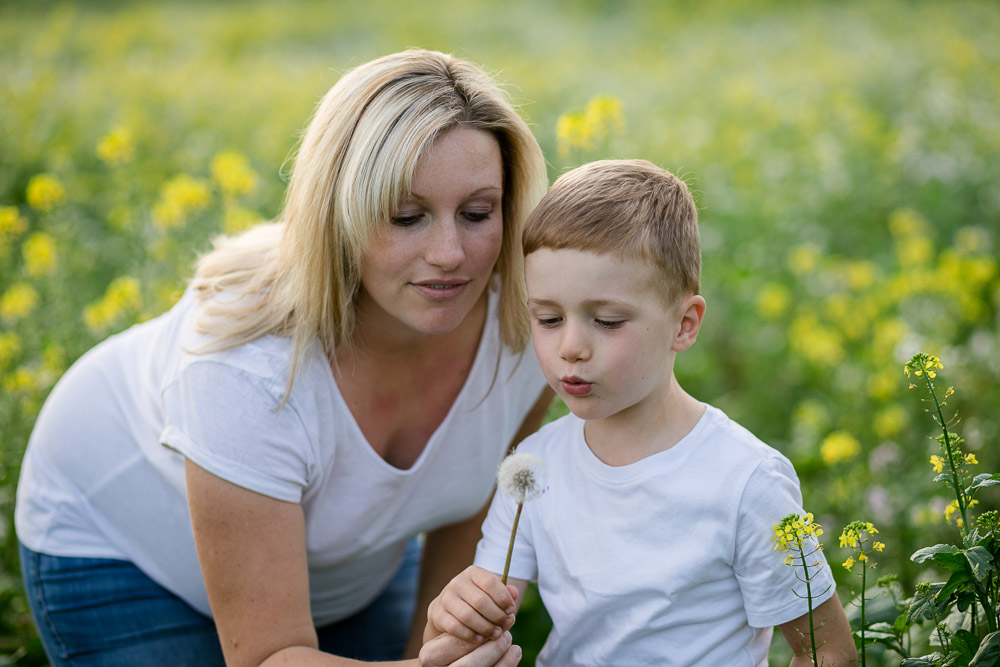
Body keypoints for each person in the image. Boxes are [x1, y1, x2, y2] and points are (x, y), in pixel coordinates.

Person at [15, 49, 553, 667]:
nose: (451, 253)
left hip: (337, 558)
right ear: (339, 212)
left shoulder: (532, 325)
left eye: (478, 213)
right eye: (408, 216)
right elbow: (268, 657)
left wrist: (440, 653)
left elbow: (468, 510)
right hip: (123, 551)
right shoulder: (245, 366)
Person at [424, 160, 858, 665]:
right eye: (547, 318)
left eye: (607, 321)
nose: (570, 347)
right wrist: (452, 617)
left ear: (684, 324)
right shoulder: (534, 466)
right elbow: (481, 622)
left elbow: (828, 650)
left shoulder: (747, 481)